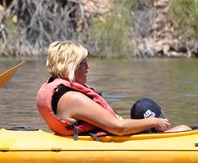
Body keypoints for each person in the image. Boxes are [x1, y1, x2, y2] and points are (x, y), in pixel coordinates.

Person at [36, 41, 190, 137]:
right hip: (116, 137)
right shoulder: (73, 98)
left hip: (113, 135)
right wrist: (154, 122)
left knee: (143, 107)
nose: (88, 67)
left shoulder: (60, 93)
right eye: (83, 63)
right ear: (71, 67)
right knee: (183, 129)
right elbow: (118, 128)